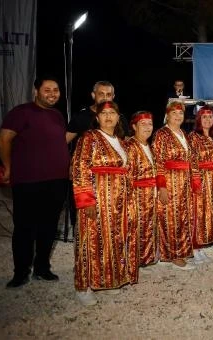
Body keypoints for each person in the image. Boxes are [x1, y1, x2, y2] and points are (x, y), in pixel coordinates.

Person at [0, 76, 69, 288]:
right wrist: (8, 166)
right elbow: (3, 139)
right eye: (47, 89)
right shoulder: (21, 112)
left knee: (48, 226)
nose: (52, 93)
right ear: (35, 91)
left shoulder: (57, 115)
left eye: (56, 90)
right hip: (28, 181)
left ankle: (42, 268)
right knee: (25, 227)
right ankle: (20, 272)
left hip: (56, 181)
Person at [71, 101, 133, 306]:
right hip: (97, 200)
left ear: (118, 117)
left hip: (117, 202)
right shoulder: (89, 138)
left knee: (112, 240)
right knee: (90, 240)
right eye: (103, 113)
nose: (108, 116)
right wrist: (85, 199)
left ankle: (107, 280)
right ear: (97, 118)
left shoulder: (120, 141)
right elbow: (79, 169)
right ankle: (83, 286)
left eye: (112, 113)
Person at [152, 101, 194, 270]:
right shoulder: (162, 134)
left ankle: (181, 251)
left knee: (182, 218)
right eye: (174, 113)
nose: (178, 116)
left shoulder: (183, 133)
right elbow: (158, 162)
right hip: (169, 183)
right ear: (167, 115)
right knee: (170, 219)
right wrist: (161, 186)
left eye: (181, 114)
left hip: (184, 183)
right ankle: (172, 255)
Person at [189, 105, 213, 262]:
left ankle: (201, 247)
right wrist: (196, 180)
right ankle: (194, 248)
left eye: (210, 117)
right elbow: (191, 160)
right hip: (201, 178)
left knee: (208, 213)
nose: (208, 119)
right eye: (204, 117)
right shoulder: (193, 137)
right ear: (199, 119)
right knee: (198, 212)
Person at [126, 111, 158, 269]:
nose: (147, 127)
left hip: (151, 194)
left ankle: (145, 258)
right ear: (134, 126)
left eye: (150, 124)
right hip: (137, 195)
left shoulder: (149, 146)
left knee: (148, 226)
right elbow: (127, 177)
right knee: (135, 228)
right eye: (143, 124)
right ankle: (133, 260)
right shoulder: (130, 146)